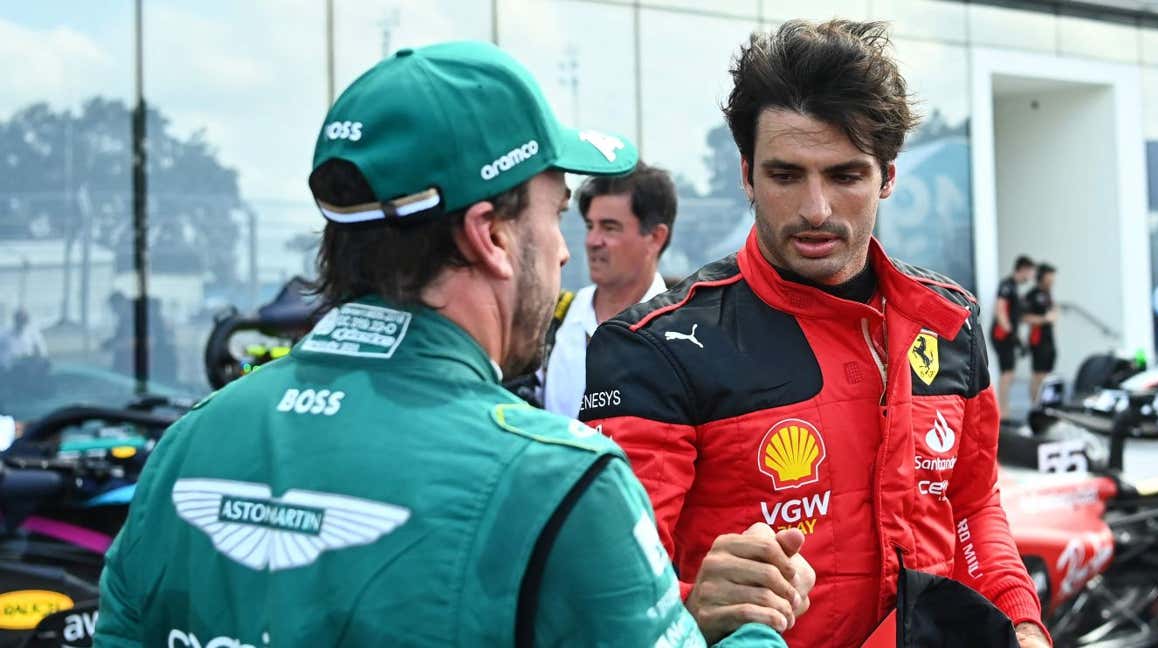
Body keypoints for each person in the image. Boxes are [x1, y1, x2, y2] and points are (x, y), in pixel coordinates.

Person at [95, 41, 805, 647]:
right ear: (490, 235)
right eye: (555, 214)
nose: (563, 251)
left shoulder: (191, 442)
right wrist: (753, 623)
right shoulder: (561, 482)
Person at [582, 20, 1049, 648]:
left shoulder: (950, 321)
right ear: (746, 175)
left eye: (845, 175)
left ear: (887, 177)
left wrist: (1021, 621)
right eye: (785, 175)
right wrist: (691, 607)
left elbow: (971, 508)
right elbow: (604, 599)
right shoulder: (652, 348)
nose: (816, 209)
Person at [543, 162, 674, 417]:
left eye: (610, 227)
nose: (592, 241)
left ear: (656, 237)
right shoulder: (554, 319)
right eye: (590, 226)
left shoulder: (686, 330)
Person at [991, 256, 1035, 419]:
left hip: (1009, 336)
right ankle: (1002, 413)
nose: (1031, 276)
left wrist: (1019, 339)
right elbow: (1000, 310)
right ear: (1023, 269)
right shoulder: (1007, 285)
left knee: (1009, 374)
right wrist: (1010, 333)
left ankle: (1004, 410)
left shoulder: (1015, 288)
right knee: (1007, 374)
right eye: (1030, 272)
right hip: (1002, 336)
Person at [1024, 263, 1059, 405]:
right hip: (1037, 340)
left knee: (1048, 374)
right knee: (1038, 375)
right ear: (1043, 277)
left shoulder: (1048, 293)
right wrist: (1044, 319)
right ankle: (1035, 405)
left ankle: (1044, 404)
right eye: (1050, 276)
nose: (1053, 280)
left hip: (1049, 339)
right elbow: (1024, 317)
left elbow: (1054, 313)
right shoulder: (1032, 295)